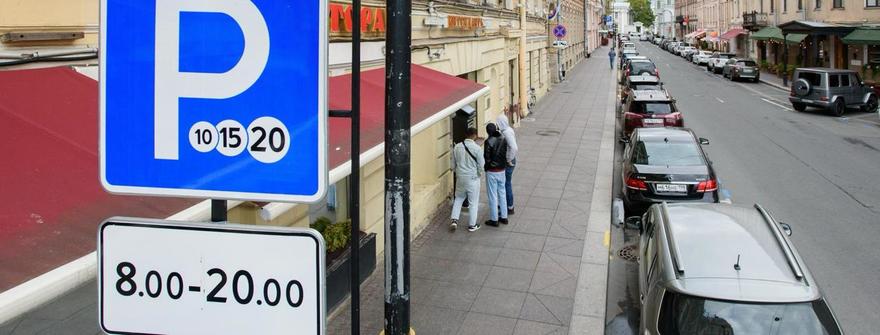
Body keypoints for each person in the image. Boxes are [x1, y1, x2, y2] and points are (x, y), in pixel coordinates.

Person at [450, 127, 484, 232]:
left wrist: (457, 172)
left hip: (460, 177)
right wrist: (478, 174)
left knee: (459, 199)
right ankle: (472, 225)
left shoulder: (457, 147)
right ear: (474, 136)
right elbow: (481, 165)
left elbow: (452, 165)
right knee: (473, 202)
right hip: (472, 178)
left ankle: (454, 220)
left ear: (466, 135)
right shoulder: (477, 148)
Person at [482, 123, 508, 227]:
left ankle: (494, 219)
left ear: (488, 131)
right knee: (502, 193)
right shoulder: (503, 138)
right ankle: (504, 216)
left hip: (492, 171)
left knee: (492, 195)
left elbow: (487, 157)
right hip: (502, 170)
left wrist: (486, 168)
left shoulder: (488, 142)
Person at [496, 114, 518, 215]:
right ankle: (505, 205)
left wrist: (508, 159)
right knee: (505, 183)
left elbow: (514, 147)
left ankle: (509, 207)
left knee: (506, 184)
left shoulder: (506, 133)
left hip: (508, 162)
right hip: (510, 161)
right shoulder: (508, 129)